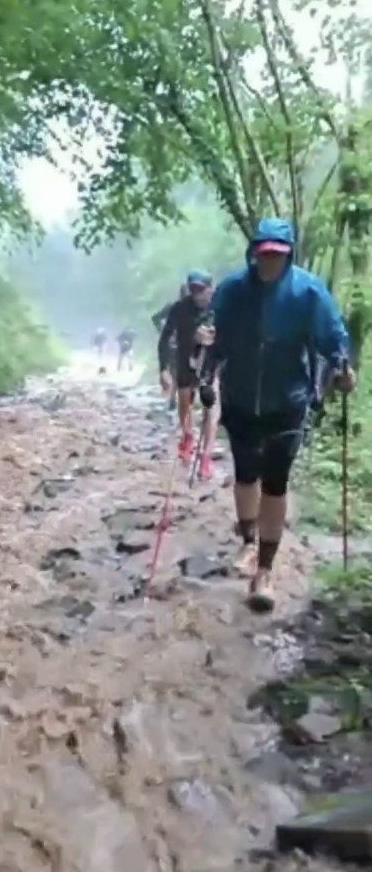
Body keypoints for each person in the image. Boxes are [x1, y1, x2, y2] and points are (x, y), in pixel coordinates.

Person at [199, 217, 355, 613]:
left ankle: (264, 571)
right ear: (253, 254)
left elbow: (332, 337)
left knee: (275, 482)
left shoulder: (308, 291)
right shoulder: (233, 291)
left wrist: (340, 365)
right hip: (239, 395)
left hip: (288, 398)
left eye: (277, 256)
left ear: (288, 256)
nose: (268, 263)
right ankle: (248, 543)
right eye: (263, 255)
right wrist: (206, 374)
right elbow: (216, 336)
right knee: (246, 474)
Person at [158, 271, 218, 479]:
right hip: (185, 358)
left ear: (210, 288)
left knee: (211, 406)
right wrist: (164, 368)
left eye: (201, 289)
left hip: (212, 362)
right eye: (193, 289)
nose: (197, 294)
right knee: (184, 401)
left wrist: (215, 337)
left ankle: (206, 456)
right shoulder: (180, 308)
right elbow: (165, 337)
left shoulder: (220, 307)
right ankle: (187, 437)